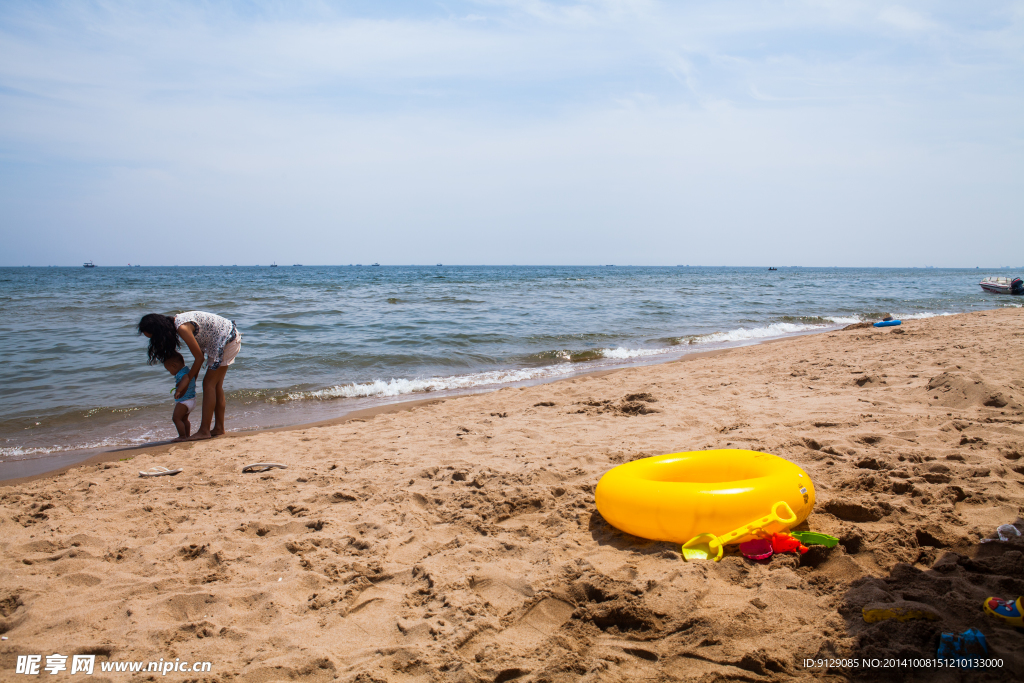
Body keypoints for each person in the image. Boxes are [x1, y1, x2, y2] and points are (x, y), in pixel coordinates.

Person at [138, 311, 242, 441]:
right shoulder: (178, 322)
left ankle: (204, 431)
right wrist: (191, 379)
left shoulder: (182, 327)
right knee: (216, 385)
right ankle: (219, 428)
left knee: (209, 384)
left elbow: (198, 358)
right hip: (227, 337)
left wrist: (187, 379)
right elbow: (200, 355)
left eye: (154, 337)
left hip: (226, 340)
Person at [163, 351, 197, 440]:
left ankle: (182, 436)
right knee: (184, 419)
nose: (169, 372)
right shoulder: (186, 369)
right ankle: (187, 436)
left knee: (176, 418)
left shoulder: (181, 374)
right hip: (191, 400)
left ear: (174, 366)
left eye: (168, 369)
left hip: (184, 401)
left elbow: (186, 378)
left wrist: (178, 390)